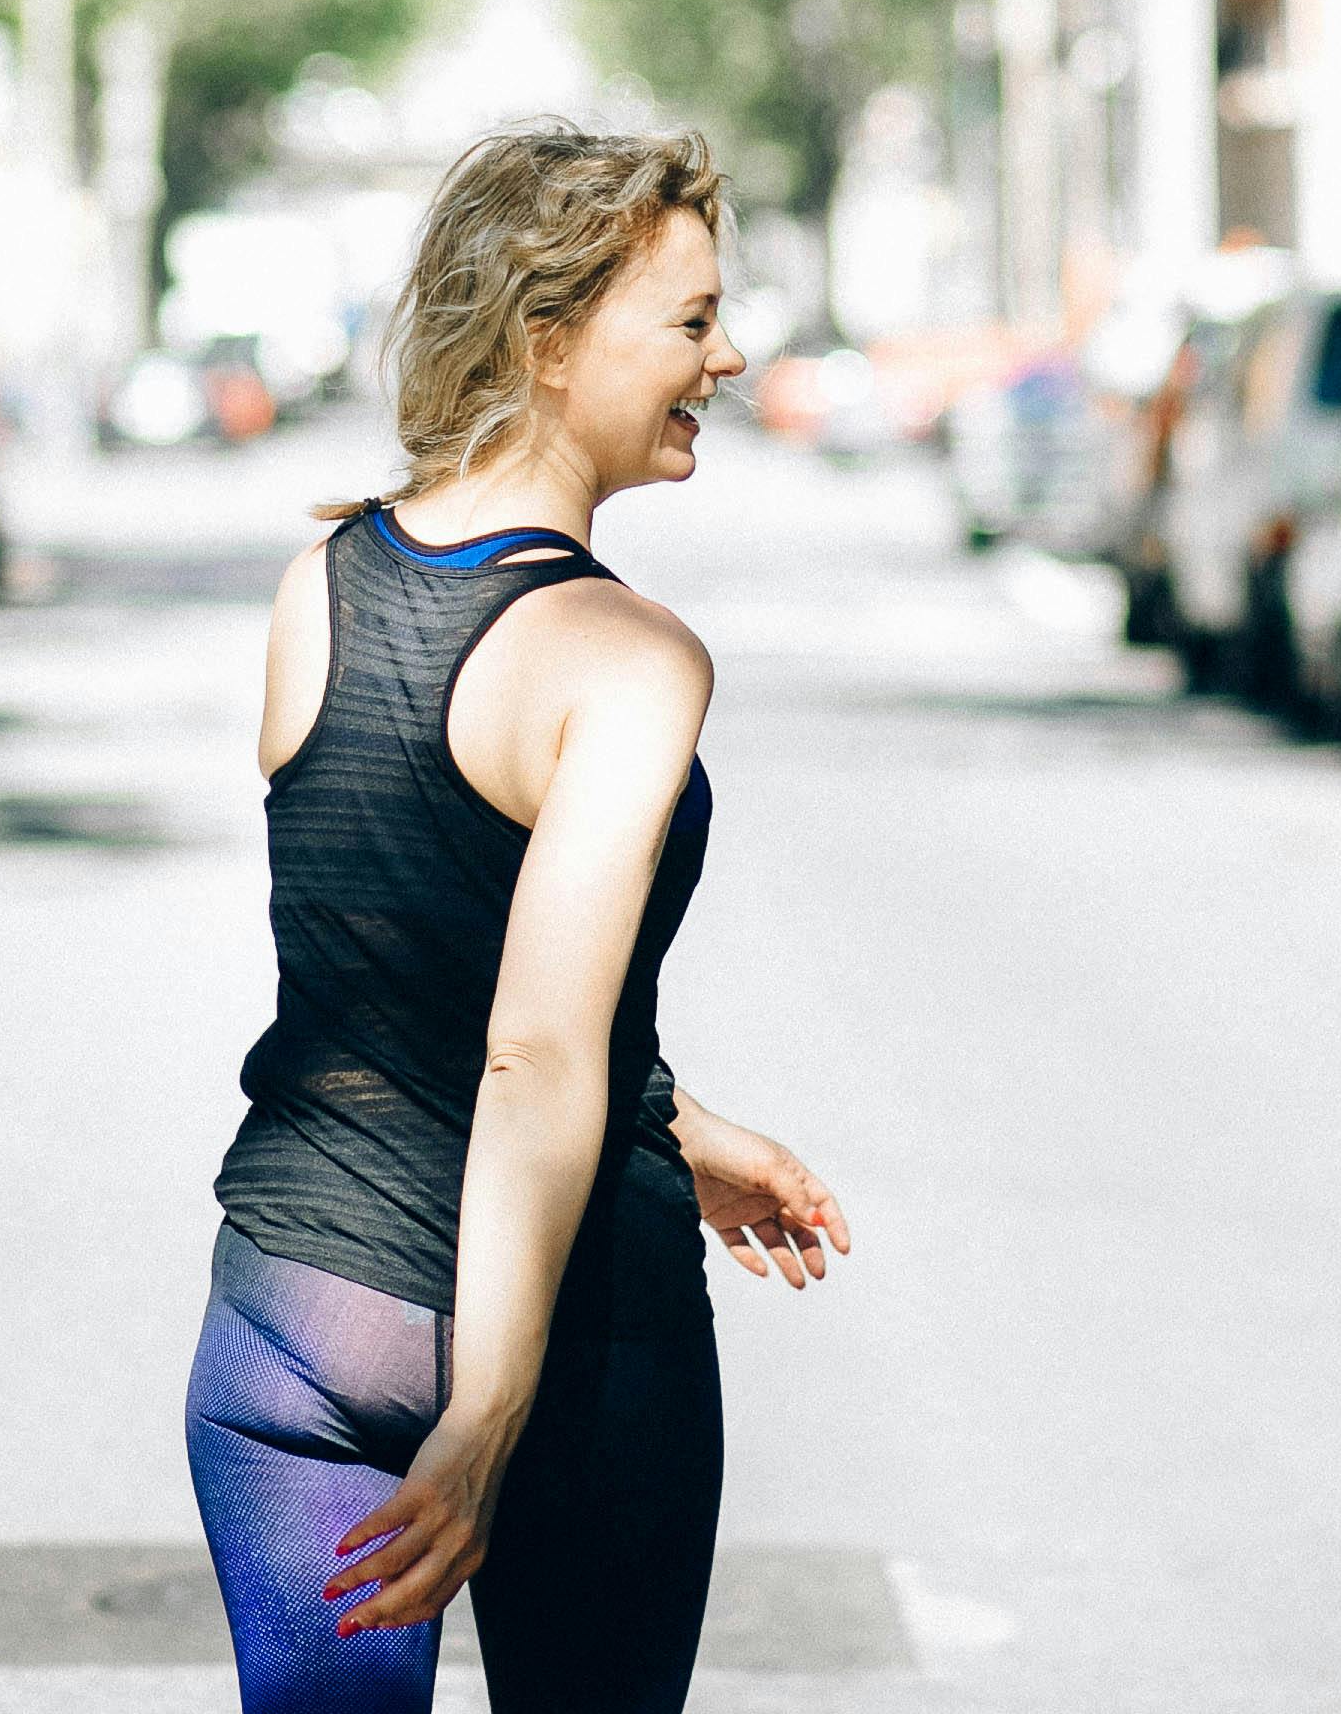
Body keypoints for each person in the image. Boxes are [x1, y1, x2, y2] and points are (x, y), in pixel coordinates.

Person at [187, 125, 851, 1714]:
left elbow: (402, 956)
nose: (730, 354)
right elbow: (533, 1050)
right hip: (559, 1331)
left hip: (291, 1309)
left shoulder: (321, 587)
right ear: (549, 343)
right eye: (691, 320)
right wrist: (487, 1404)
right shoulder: (631, 658)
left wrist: (678, 1126)